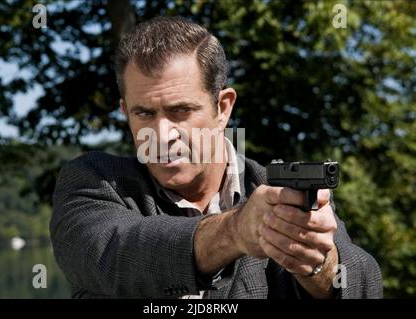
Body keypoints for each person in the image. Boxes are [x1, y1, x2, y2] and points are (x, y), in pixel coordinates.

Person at [50, 16, 382, 299]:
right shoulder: (95, 182)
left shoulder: (276, 191)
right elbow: (115, 254)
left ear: (222, 108)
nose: (163, 135)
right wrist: (236, 231)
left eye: (181, 111)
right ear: (125, 112)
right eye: (144, 113)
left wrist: (316, 265)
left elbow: (364, 281)